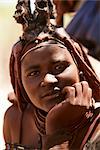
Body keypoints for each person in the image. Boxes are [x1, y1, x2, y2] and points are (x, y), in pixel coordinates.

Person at [3, 0, 100, 149]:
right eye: (34, 73)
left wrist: (59, 131)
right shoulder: (16, 120)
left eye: (59, 67)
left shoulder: (96, 126)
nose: (48, 80)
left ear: (80, 69)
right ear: (20, 83)